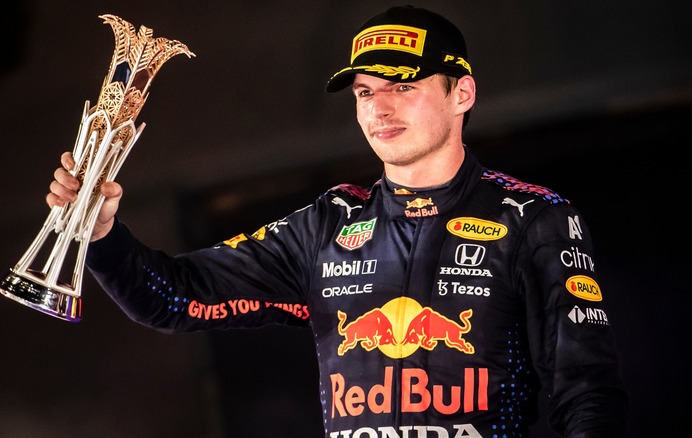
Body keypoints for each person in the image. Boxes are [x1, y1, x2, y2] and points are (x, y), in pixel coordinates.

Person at [47, 5, 628, 437]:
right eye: (364, 91)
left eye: (403, 86)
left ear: (462, 92)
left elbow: (588, 394)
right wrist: (99, 234)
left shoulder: (534, 218)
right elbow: (171, 299)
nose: (379, 107)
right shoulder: (327, 224)